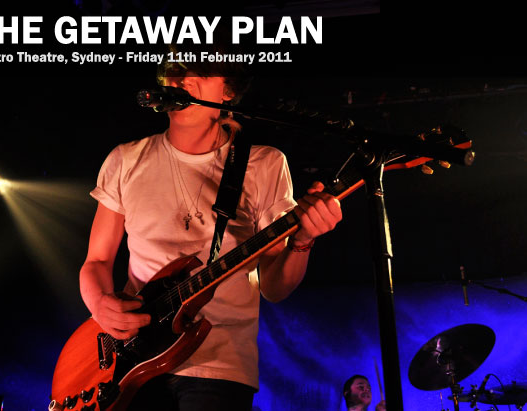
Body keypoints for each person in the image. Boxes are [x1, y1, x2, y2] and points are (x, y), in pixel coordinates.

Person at [79, 52, 343, 410]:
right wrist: (99, 305)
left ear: (228, 90)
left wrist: (303, 241)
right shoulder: (125, 159)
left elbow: (274, 287)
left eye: (201, 71)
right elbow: (96, 261)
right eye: (174, 70)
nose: (184, 80)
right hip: (133, 357)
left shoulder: (264, 164)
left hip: (220, 364)